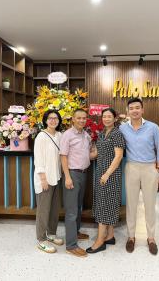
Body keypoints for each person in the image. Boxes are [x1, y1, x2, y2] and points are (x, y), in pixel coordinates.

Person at [119, 97, 159, 255]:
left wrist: (158, 169)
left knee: (150, 204)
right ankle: (131, 237)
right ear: (128, 111)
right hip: (131, 167)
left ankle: (151, 238)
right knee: (131, 204)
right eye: (131, 108)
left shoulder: (153, 127)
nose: (134, 110)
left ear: (142, 110)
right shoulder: (123, 128)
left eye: (137, 107)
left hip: (149, 168)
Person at [86, 108, 125, 254]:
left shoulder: (117, 134)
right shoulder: (102, 133)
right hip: (101, 173)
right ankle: (110, 236)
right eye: (104, 116)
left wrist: (107, 174)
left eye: (109, 116)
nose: (106, 119)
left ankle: (100, 241)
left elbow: (118, 156)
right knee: (105, 203)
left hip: (110, 175)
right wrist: (79, 153)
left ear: (115, 119)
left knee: (105, 205)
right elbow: (96, 153)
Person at [60, 109, 91, 258]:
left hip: (83, 174)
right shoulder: (68, 135)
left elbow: (88, 154)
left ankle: (76, 233)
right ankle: (71, 245)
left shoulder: (86, 135)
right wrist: (67, 177)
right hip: (72, 174)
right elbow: (63, 157)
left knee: (78, 206)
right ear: (73, 119)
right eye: (78, 118)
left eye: (84, 118)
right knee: (72, 210)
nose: (81, 120)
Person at [34, 109, 64, 253]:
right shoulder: (41, 136)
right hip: (45, 179)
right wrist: (43, 179)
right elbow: (38, 159)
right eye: (50, 118)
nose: (53, 120)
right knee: (43, 210)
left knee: (54, 209)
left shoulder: (59, 135)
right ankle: (41, 239)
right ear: (45, 120)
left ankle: (51, 234)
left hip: (56, 177)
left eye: (56, 118)